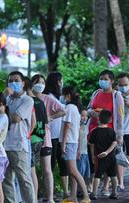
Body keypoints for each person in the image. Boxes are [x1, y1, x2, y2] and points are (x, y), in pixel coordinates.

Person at [87, 70, 124, 196]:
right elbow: (88, 109)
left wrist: (120, 134)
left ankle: (106, 187)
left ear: (112, 81)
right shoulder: (96, 93)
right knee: (94, 159)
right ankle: (92, 186)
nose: (102, 81)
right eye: (101, 78)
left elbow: (120, 116)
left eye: (105, 79)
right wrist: (93, 113)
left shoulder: (116, 95)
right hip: (93, 131)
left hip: (109, 133)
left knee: (107, 161)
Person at [31, 74, 65, 203]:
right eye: (37, 82)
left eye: (42, 82)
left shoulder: (47, 99)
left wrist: (50, 118)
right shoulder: (28, 99)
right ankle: (33, 198)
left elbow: (62, 110)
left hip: (45, 137)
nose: (40, 85)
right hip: (30, 137)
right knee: (31, 169)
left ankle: (50, 198)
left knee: (47, 169)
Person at [2, 71, 35, 203]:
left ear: (23, 83)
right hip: (3, 145)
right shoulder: (7, 99)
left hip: (18, 145)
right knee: (6, 179)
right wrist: (4, 99)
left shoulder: (28, 100)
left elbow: (16, 118)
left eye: (17, 80)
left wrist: (3, 107)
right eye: (11, 81)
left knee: (24, 179)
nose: (13, 83)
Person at [60, 86, 90, 203]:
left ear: (67, 95)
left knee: (73, 170)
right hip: (73, 142)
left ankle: (86, 195)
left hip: (69, 142)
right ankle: (73, 196)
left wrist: (63, 144)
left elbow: (67, 126)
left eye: (63, 94)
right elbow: (76, 128)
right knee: (73, 170)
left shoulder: (69, 108)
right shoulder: (75, 109)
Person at [43, 72, 69, 198]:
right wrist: (51, 117)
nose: (61, 83)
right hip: (51, 135)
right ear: (57, 81)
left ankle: (65, 192)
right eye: (61, 80)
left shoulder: (57, 96)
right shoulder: (48, 96)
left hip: (58, 135)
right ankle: (50, 193)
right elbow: (61, 112)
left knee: (62, 163)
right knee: (51, 165)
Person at [89, 110, 118, 200]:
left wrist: (93, 156)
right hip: (111, 157)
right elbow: (114, 143)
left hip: (100, 156)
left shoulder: (95, 131)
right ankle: (114, 193)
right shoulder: (111, 131)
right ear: (109, 120)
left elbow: (91, 145)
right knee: (113, 175)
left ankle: (94, 193)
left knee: (98, 175)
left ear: (99, 119)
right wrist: (107, 152)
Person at [77, 109, 91, 194]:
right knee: (80, 171)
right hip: (80, 152)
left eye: (86, 116)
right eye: (82, 115)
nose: (84, 118)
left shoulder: (86, 126)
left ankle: (83, 189)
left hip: (85, 152)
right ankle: (79, 189)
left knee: (86, 172)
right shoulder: (77, 126)